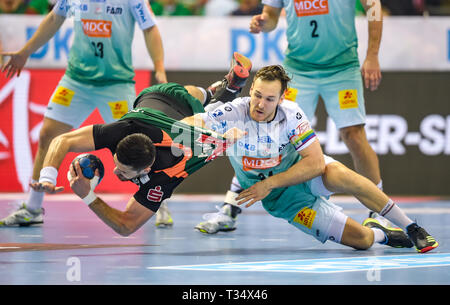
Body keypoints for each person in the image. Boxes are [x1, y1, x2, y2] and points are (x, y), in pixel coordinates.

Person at [184, 65, 438, 253]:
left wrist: (269, 183)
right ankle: (381, 234)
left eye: (270, 98)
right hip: (283, 201)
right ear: (251, 90)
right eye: (258, 95)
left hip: (302, 174)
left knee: (342, 176)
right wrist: (212, 138)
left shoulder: (291, 113)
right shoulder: (234, 111)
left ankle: (412, 228)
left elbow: (315, 163)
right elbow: (186, 126)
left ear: (282, 99)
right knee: (361, 240)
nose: (260, 104)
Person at [196, 0, 385, 233]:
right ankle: (231, 207)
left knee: (353, 135)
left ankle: (378, 210)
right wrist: (264, 22)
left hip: (342, 67)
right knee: (263, 131)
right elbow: (272, 16)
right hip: (298, 67)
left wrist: (373, 54)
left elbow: (373, 6)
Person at [0, 0, 167, 226]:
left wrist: (159, 67)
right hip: (76, 81)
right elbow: (54, 18)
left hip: (116, 83)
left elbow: (150, 28)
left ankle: (159, 204)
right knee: (47, 135)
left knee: (137, 145)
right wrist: (25, 52)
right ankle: (32, 208)